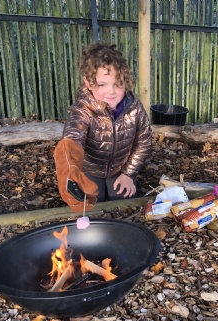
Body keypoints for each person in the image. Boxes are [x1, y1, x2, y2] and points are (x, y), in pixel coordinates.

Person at [54, 43, 152, 212]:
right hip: (90, 169)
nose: (111, 91)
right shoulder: (83, 110)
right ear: (88, 82)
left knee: (123, 203)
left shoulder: (134, 108)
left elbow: (144, 142)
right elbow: (73, 139)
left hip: (120, 168)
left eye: (118, 84)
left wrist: (128, 173)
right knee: (90, 204)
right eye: (102, 85)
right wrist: (71, 171)